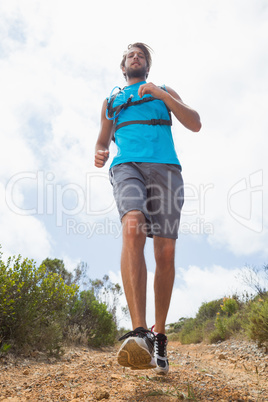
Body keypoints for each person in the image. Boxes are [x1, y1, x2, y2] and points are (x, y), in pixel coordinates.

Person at [95, 42, 201, 375]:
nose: (135, 56)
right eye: (130, 55)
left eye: (140, 54)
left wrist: (162, 95)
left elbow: (195, 123)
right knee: (132, 225)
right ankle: (139, 332)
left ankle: (159, 333)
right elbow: (102, 140)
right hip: (127, 166)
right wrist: (99, 152)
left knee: (165, 254)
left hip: (167, 169)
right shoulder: (111, 102)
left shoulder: (163, 90)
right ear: (123, 67)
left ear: (147, 66)